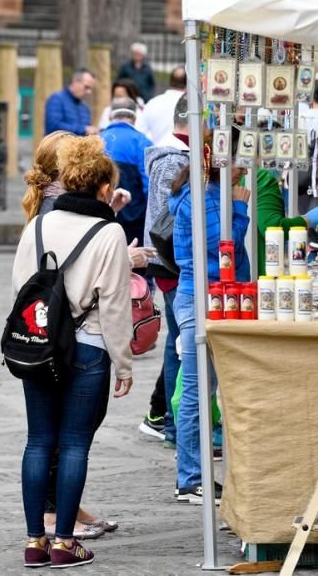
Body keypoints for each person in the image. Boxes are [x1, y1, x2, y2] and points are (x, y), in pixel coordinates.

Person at [11, 136, 134, 569]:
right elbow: (116, 304)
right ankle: (64, 541)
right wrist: (124, 361)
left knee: (38, 441)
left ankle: (33, 541)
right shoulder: (109, 232)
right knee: (75, 444)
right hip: (90, 346)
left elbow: (21, 290)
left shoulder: (37, 226)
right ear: (102, 187)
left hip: (39, 345)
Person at [167, 128, 250, 504]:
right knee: (199, 394)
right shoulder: (209, 199)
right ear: (220, 159)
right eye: (239, 156)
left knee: (201, 391)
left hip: (200, 296)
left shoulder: (199, 194)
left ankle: (192, 475)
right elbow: (224, 252)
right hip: (203, 298)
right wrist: (241, 208)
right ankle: (191, 478)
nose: (243, 165)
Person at [139, 94, 190, 444]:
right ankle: (173, 421)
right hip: (171, 263)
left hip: (172, 262)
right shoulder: (172, 159)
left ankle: (172, 419)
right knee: (179, 343)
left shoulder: (178, 155)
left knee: (178, 342)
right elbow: (167, 216)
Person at [255, 167, 318, 275]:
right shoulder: (260, 178)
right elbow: (272, 227)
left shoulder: (225, 182)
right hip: (257, 274)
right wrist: (307, 220)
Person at [100, 97, 153, 245]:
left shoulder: (95, 141)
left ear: (110, 117)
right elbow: (149, 186)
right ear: (135, 118)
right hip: (134, 221)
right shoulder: (143, 143)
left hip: (100, 217)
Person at [138, 65, 186, 143]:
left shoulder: (152, 103)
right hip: (186, 153)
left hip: (158, 152)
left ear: (170, 81)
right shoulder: (192, 106)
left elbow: (140, 133)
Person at [45, 69, 97, 137]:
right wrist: (84, 129)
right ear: (75, 82)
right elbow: (54, 126)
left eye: (91, 88)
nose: (89, 92)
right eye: (86, 87)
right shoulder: (56, 100)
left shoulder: (85, 107)